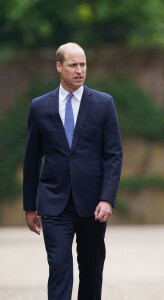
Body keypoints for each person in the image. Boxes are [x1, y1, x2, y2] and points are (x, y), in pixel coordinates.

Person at [23, 42, 123, 300]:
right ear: (59, 66)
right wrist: (29, 206)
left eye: (83, 64)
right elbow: (32, 159)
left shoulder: (103, 103)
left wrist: (107, 198)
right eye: (73, 65)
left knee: (91, 269)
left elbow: (113, 155)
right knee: (59, 267)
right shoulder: (40, 107)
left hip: (93, 205)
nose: (79, 70)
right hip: (54, 202)